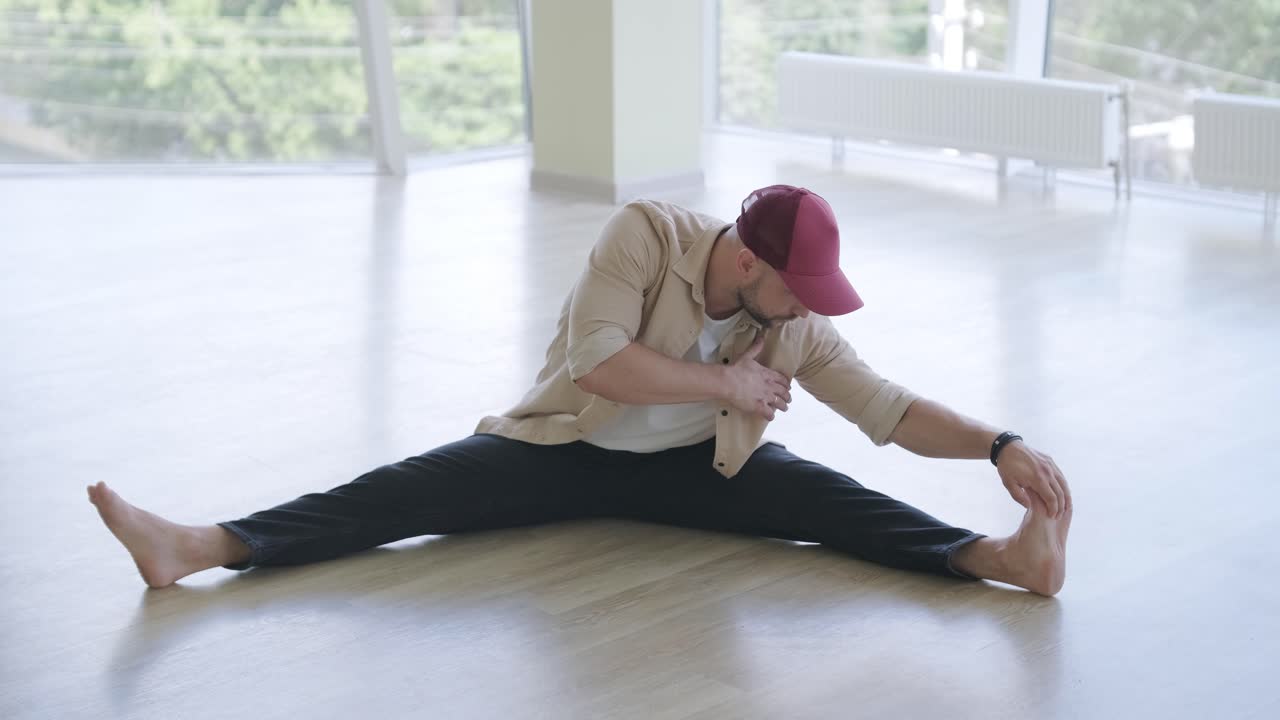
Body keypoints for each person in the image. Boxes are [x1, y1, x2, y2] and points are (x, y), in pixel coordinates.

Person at [88, 185, 1073, 596]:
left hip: (697, 470)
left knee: (829, 502)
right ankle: (199, 545)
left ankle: (1000, 558)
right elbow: (596, 362)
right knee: (405, 494)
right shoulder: (646, 236)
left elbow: (886, 411)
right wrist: (724, 378)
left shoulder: (791, 321)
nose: (806, 310)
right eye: (796, 288)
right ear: (745, 260)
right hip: (567, 449)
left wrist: (998, 445)